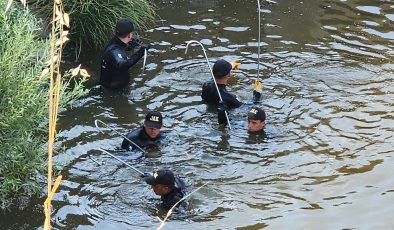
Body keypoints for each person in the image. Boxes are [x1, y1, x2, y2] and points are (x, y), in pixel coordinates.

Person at [201, 59, 263, 125]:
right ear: (229, 75)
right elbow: (249, 107)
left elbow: (216, 76)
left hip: (209, 111)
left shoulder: (206, 85)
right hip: (224, 119)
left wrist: (230, 66)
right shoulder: (228, 97)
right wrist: (257, 93)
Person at [100, 18, 150, 90]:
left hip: (109, 84)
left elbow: (119, 49)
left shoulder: (113, 42)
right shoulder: (114, 51)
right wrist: (141, 52)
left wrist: (131, 45)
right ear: (129, 35)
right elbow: (122, 65)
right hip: (114, 91)